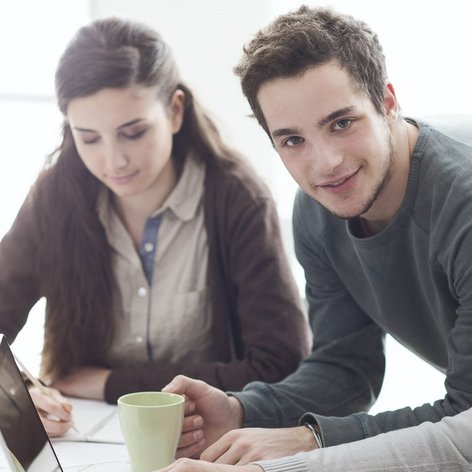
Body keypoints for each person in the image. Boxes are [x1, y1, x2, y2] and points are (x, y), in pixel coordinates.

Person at [158, 4, 472, 470]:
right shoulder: (318, 211)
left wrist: (312, 440)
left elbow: (465, 420)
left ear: (387, 101)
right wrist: (242, 410)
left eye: (341, 123)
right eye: (292, 140)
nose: (325, 163)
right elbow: (346, 369)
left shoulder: (462, 206)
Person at [0, 17, 310, 436]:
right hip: (83, 437)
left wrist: (111, 384)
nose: (114, 161)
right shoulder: (55, 196)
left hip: (203, 442)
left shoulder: (235, 198)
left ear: (175, 111)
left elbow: (280, 364)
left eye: (132, 132)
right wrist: (18, 392)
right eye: (88, 138)